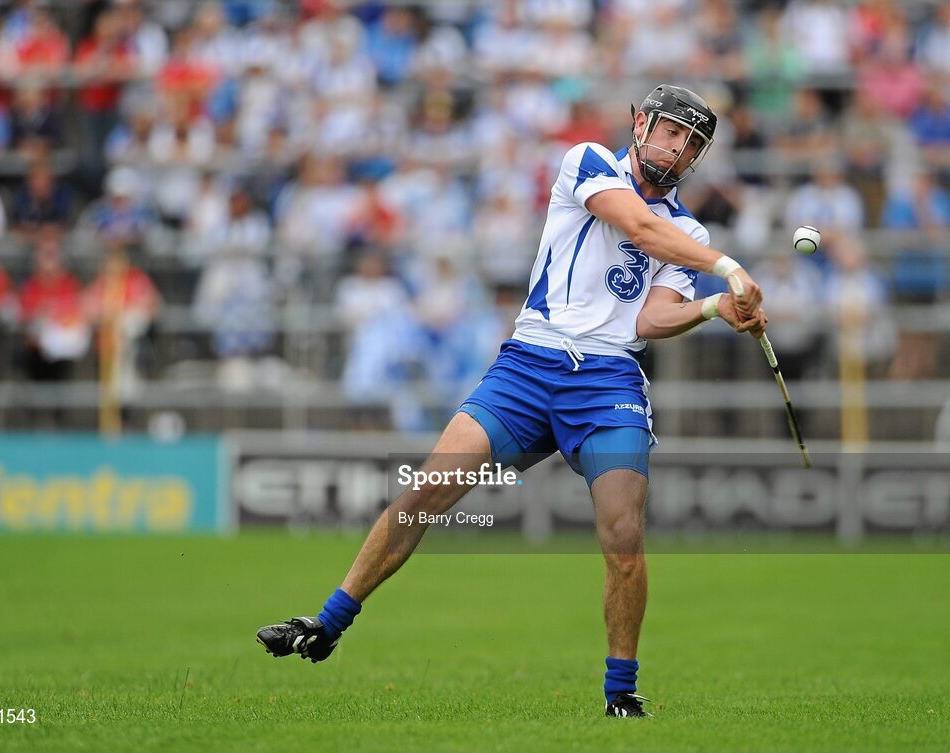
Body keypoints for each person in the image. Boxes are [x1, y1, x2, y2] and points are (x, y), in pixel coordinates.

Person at [254, 85, 767, 718]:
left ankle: (621, 693)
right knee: (424, 494)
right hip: (529, 364)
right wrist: (729, 268)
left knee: (624, 534)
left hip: (607, 382)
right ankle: (327, 623)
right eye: (669, 130)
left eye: (691, 143)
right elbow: (638, 226)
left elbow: (652, 319)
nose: (677, 147)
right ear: (639, 124)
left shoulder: (688, 227)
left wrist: (716, 307)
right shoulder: (590, 162)